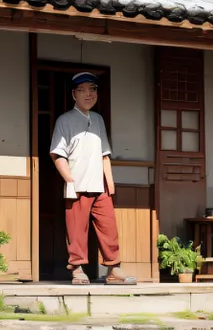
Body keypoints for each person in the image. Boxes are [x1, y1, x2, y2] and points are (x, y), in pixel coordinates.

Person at [49, 71, 136, 285]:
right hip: (76, 183)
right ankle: (77, 269)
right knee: (76, 229)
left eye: (93, 89)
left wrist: (110, 183)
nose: (89, 94)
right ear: (73, 94)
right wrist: (69, 180)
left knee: (108, 228)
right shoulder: (64, 120)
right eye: (83, 90)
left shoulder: (98, 119)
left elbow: (104, 153)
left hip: (100, 185)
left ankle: (114, 269)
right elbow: (57, 154)